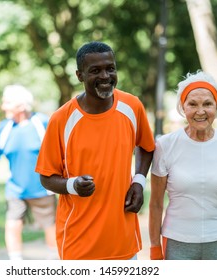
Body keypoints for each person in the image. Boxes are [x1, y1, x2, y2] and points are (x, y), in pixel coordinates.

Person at [35, 41, 155, 260]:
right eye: (95, 71)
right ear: (80, 76)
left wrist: (139, 181)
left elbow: (146, 147)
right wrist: (72, 185)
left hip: (123, 241)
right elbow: (46, 177)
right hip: (78, 243)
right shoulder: (61, 119)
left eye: (110, 68)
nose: (105, 76)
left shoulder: (132, 106)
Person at [149, 70, 217, 260]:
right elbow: (155, 204)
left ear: (216, 106)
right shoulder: (165, 145)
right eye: (192, 104)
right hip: (178, 242)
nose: (200, 111)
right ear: (183, 107)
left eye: (207, 104)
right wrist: (154, 249)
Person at [0, 84, 57, 260]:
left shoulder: (42, 123)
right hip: (16, 188)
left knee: (51, 226)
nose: (3, 107)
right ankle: (16, 263)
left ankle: (55, 260)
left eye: (7, 102)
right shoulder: (4, 128)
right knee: (12, 225)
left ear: (22, 105)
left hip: (42, 187)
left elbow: (59, 149)